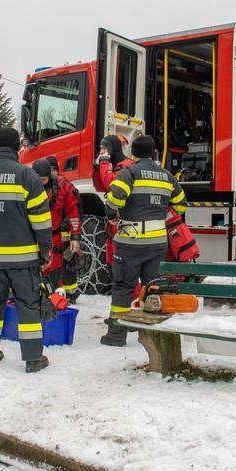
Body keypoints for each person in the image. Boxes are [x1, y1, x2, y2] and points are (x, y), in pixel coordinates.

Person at [0, 127, 53, 372]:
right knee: (27, 305)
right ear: (17, 148)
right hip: (23, 259)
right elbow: (40, 218)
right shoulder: (27, 176)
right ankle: (33, 359)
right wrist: (45, 249)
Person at [101, 135, 187, 346]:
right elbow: (181, 205)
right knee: (153, 287)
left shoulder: (129, 173)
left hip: (131, 243)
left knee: (123, 287)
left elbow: (114, 200)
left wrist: (112, 214)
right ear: (153, 152)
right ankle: (152, 334)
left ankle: (116, 335)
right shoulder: (167, 176)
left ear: (133, 154)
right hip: (157, 243)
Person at [33, 159, 82, 302]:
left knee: (54, 273)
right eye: (37, 180)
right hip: (31, 237)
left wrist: (75, 237)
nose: (40, 183)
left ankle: (53, 302)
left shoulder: (62, 186)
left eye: (43, 180)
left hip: (53, 237)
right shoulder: (26, 185)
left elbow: (73, 212)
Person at [93, 135, 134, 266]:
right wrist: (96, 168)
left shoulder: (127, 166)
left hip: (125, 219)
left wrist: (104, 163)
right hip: (113, 220)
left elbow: (111, 185)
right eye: (100, 148)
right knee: (111, 261)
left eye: (104, 148)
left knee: (122, 262)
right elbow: (100, 187)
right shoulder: (113, 165)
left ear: (113, 148)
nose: (101, 151)